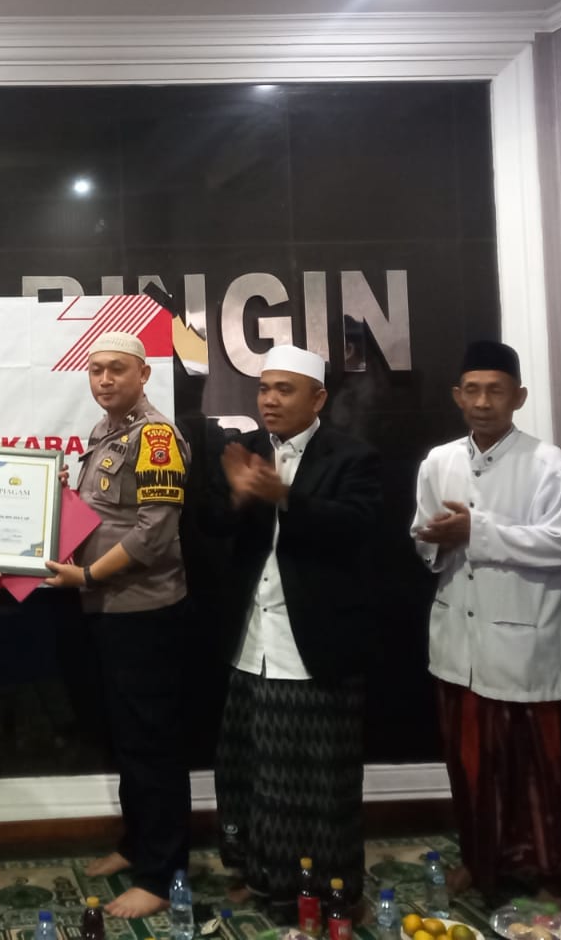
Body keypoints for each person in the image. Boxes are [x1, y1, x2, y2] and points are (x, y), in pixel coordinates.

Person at [413, 340, 561, 898]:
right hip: (461, 640)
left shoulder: (546, 461)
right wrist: (438, 539)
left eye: (495, 391)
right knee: (472, 764)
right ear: (457, 396)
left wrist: (477, 531)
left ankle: (551, 872)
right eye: (472, 390)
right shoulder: (439, 461)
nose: (482, 402)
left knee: (540, 765)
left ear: (518, 397)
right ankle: (481, 861)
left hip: (527, 644)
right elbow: (422, 536)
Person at [205, 345, 381, 918]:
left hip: (314, 645)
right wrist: (239, 497)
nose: (270, 400)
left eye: (284, 389)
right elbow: (210, 526)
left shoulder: (352, 457)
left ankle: (330, 894)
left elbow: (356, 528)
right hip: (251, 641)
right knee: (252, 773)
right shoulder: (249, 451)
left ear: (318, 398)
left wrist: (285, 496)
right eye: (264, 388)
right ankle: (262, 878)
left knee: (317, 784)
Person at [44, 331, 191, 918]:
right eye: (96, 369)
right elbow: (103, 514)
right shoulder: (105, 432)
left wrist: (87, 575)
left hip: (144, 611)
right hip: (106, 610)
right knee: (128, 738)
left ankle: (163, 874)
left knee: (153, 745)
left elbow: (154, 532)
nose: (104, 380)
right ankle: (137, 845)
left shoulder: (155, 436)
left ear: (144, 374)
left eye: (117, 369)